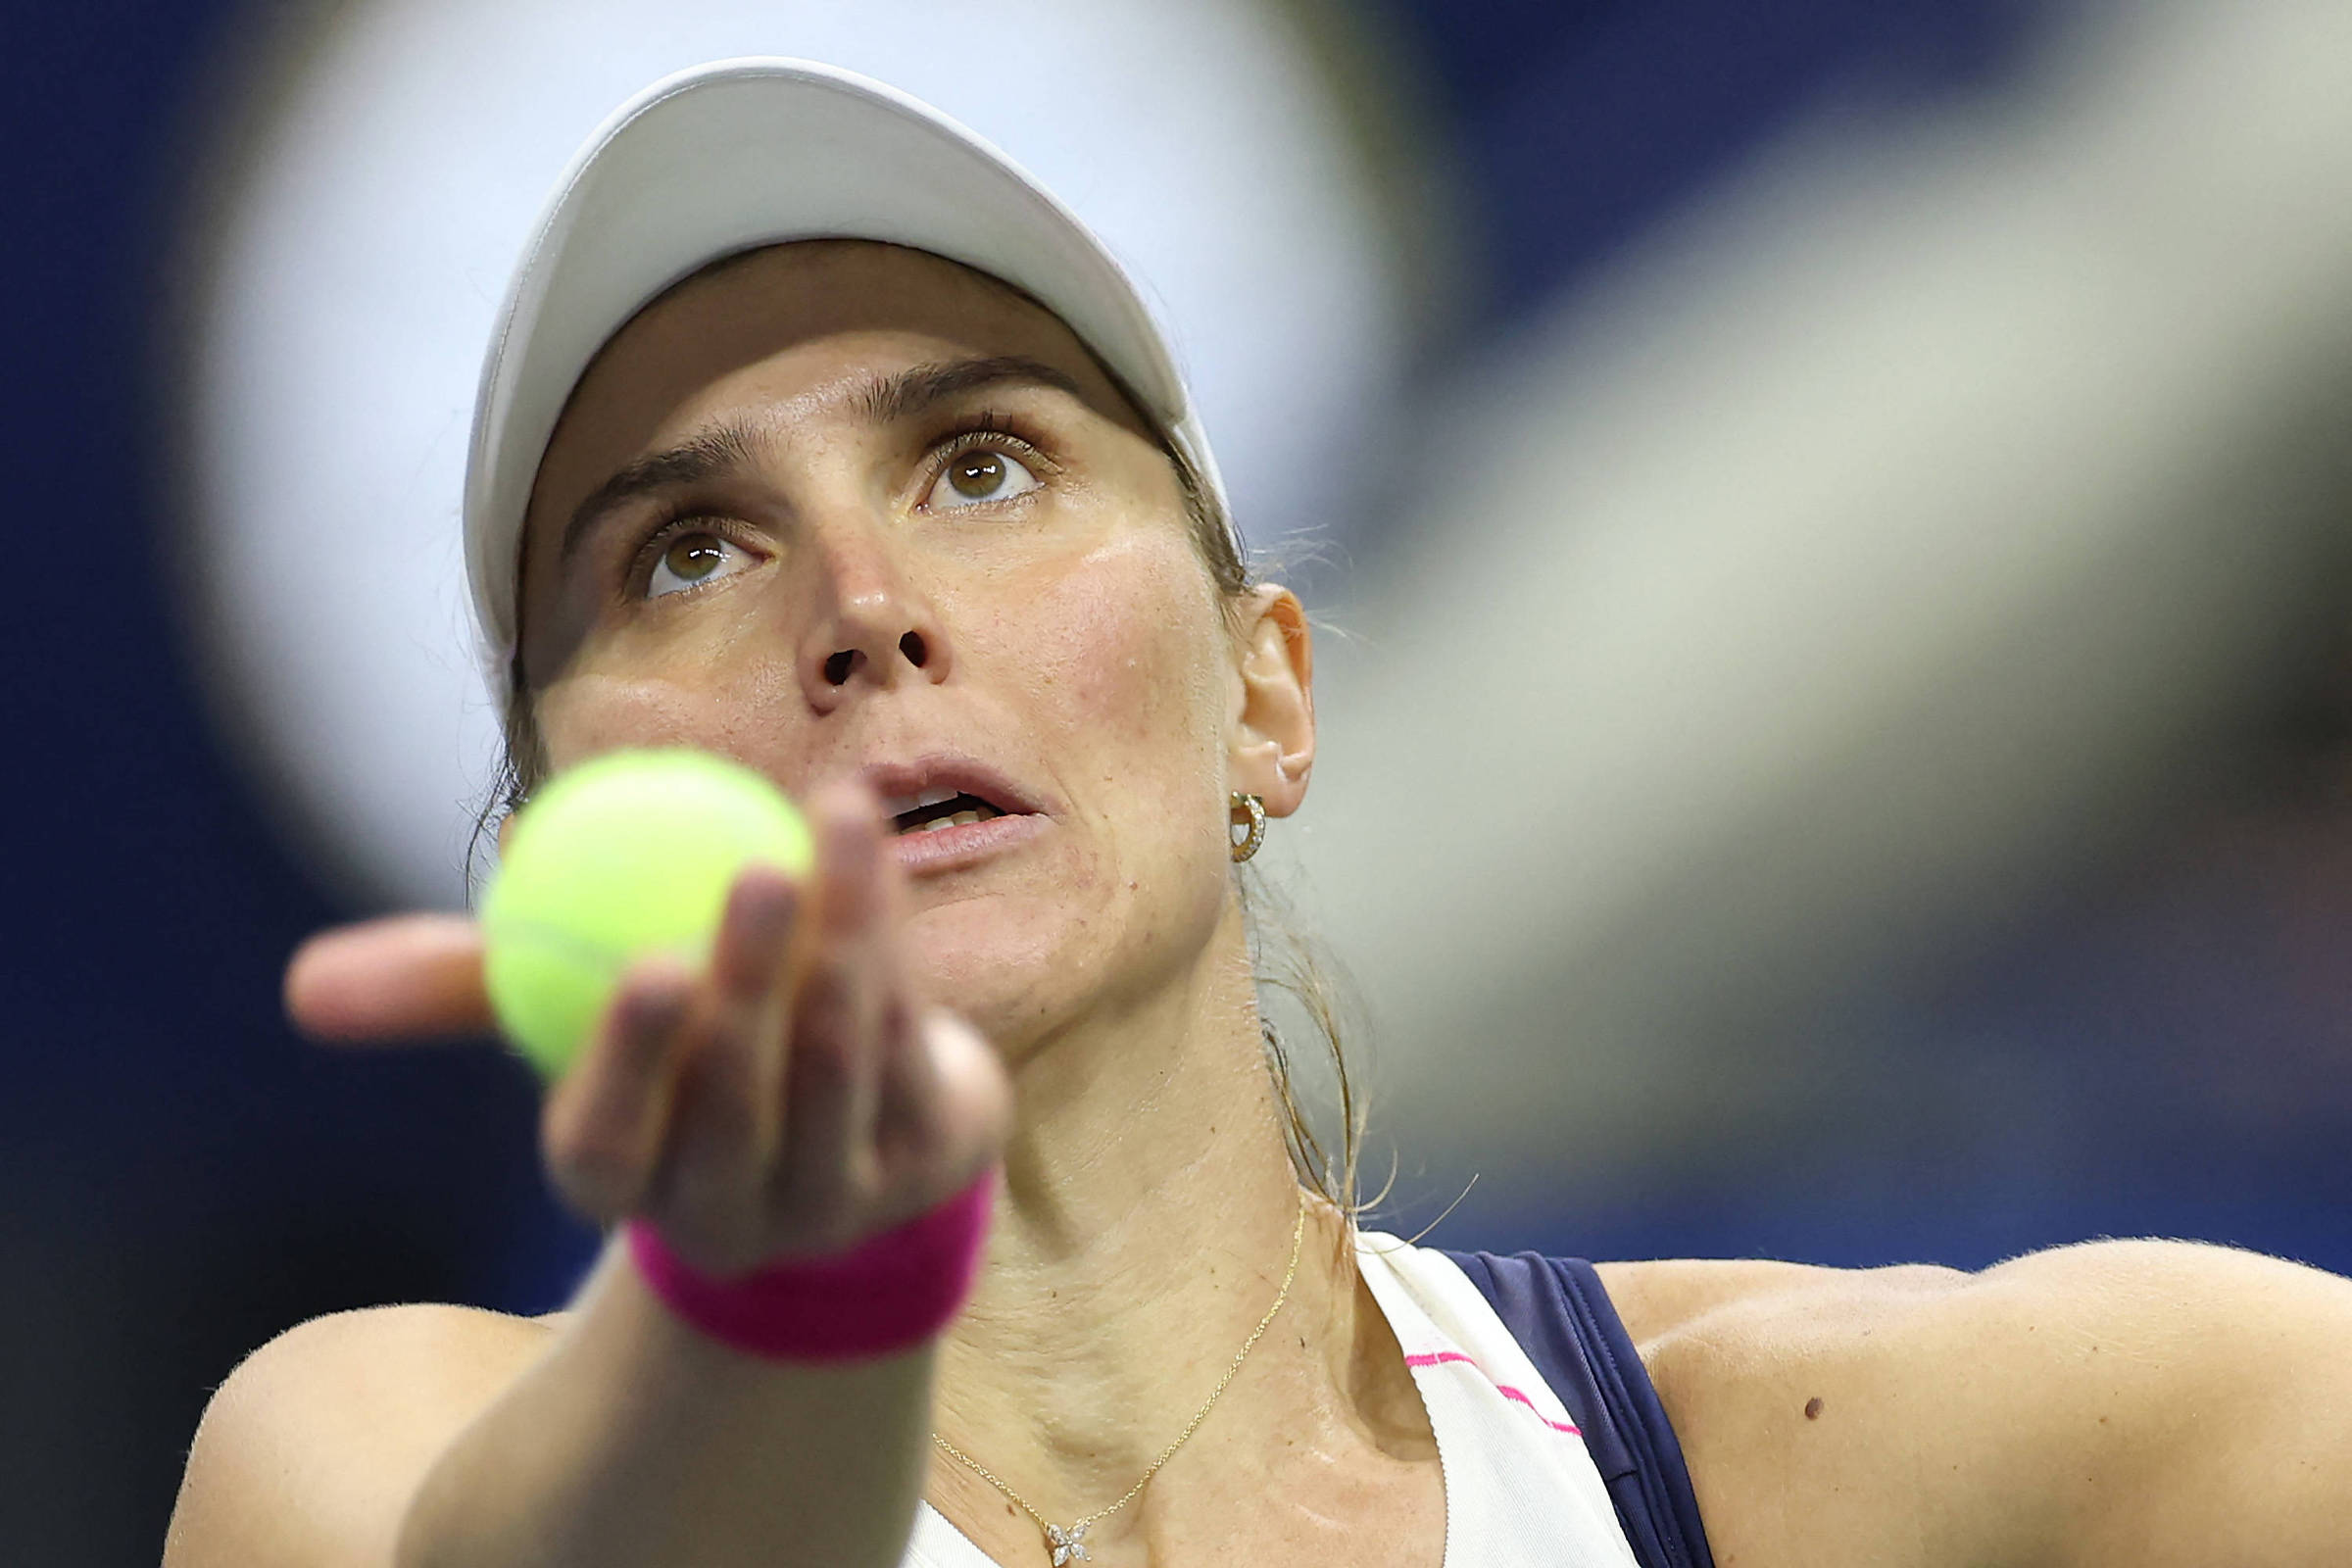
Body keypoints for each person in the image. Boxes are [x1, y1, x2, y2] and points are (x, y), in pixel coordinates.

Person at [162, 59, 2352, 1568]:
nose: (861, 606)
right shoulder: (367, 1457)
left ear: (1268, 694)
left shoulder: (1821, 1460)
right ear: (560, 842)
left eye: (982, 465)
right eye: (687, 552)